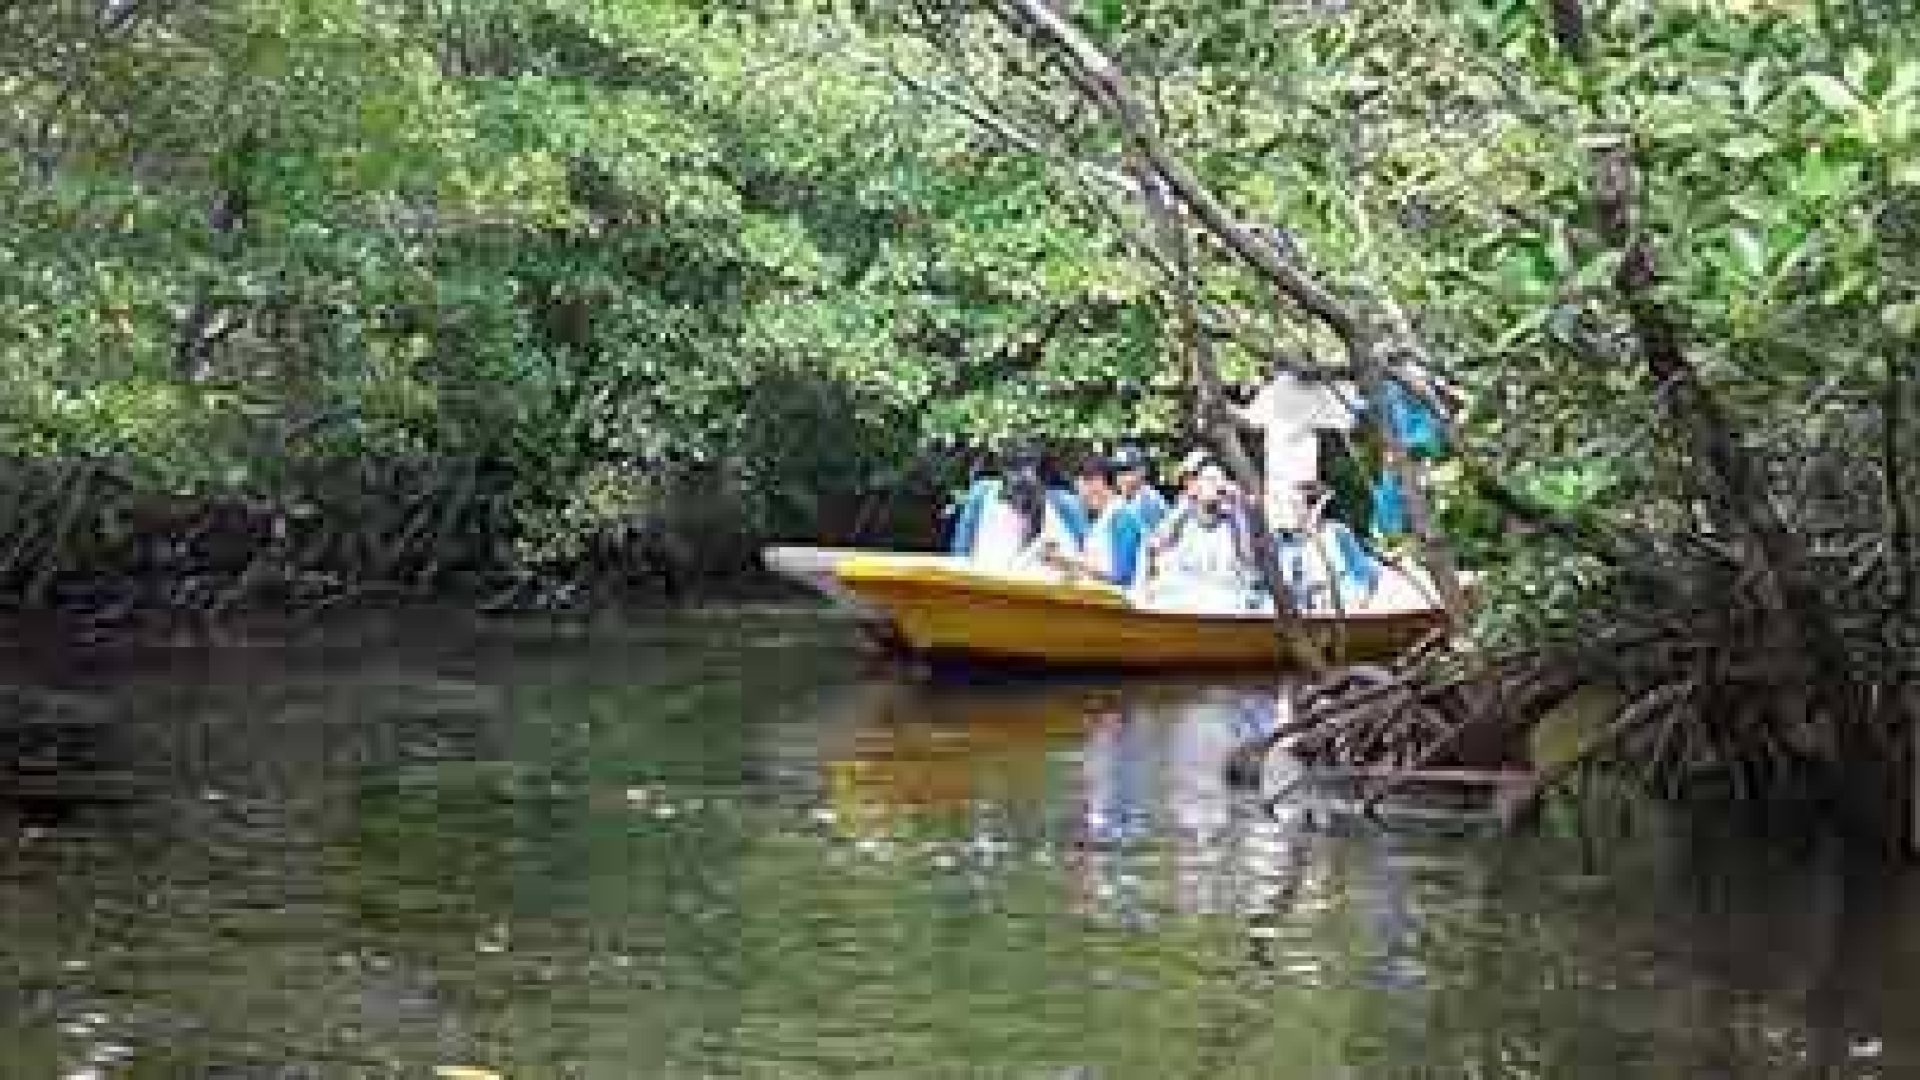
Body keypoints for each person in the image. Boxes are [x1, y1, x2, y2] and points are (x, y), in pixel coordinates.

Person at [1233, 368, 1359, 534]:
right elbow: (1250, 419)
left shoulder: (1318, 392)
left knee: (1302, 528)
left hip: (1300, 477)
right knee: (1289, 528)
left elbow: (1350, 417)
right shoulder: (1276, 391)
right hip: (1285, 478)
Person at [1139, 463, 1259, 611]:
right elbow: (1154, 546)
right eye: (1208, 480)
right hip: (1183, 599)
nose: (1213, 487)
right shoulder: (1183, 515)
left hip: (1224, 600)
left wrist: (1239, 502)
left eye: (1217, 481)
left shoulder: (1235, 520)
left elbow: (1249, 559)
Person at [948, 447, 1088, 558]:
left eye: (1028, 465)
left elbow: (1086, 556)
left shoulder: (1064, 504)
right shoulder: (982, 493)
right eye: (1014, 466)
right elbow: (960, 552)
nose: (1022, 474)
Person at [1043, 455, 1148, 588]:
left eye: (1083, 493)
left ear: (1097, 483)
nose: (1081, 500)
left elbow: (1120, 576)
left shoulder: (1124, 520)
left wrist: (1070, 562)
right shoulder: (1104, 520)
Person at [1107, 445, 1169, 534]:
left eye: (1126, 470)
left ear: (1141, 472)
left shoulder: (1150, 501)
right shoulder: (1120, 501)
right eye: (1118, 471)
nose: (1122, 476)